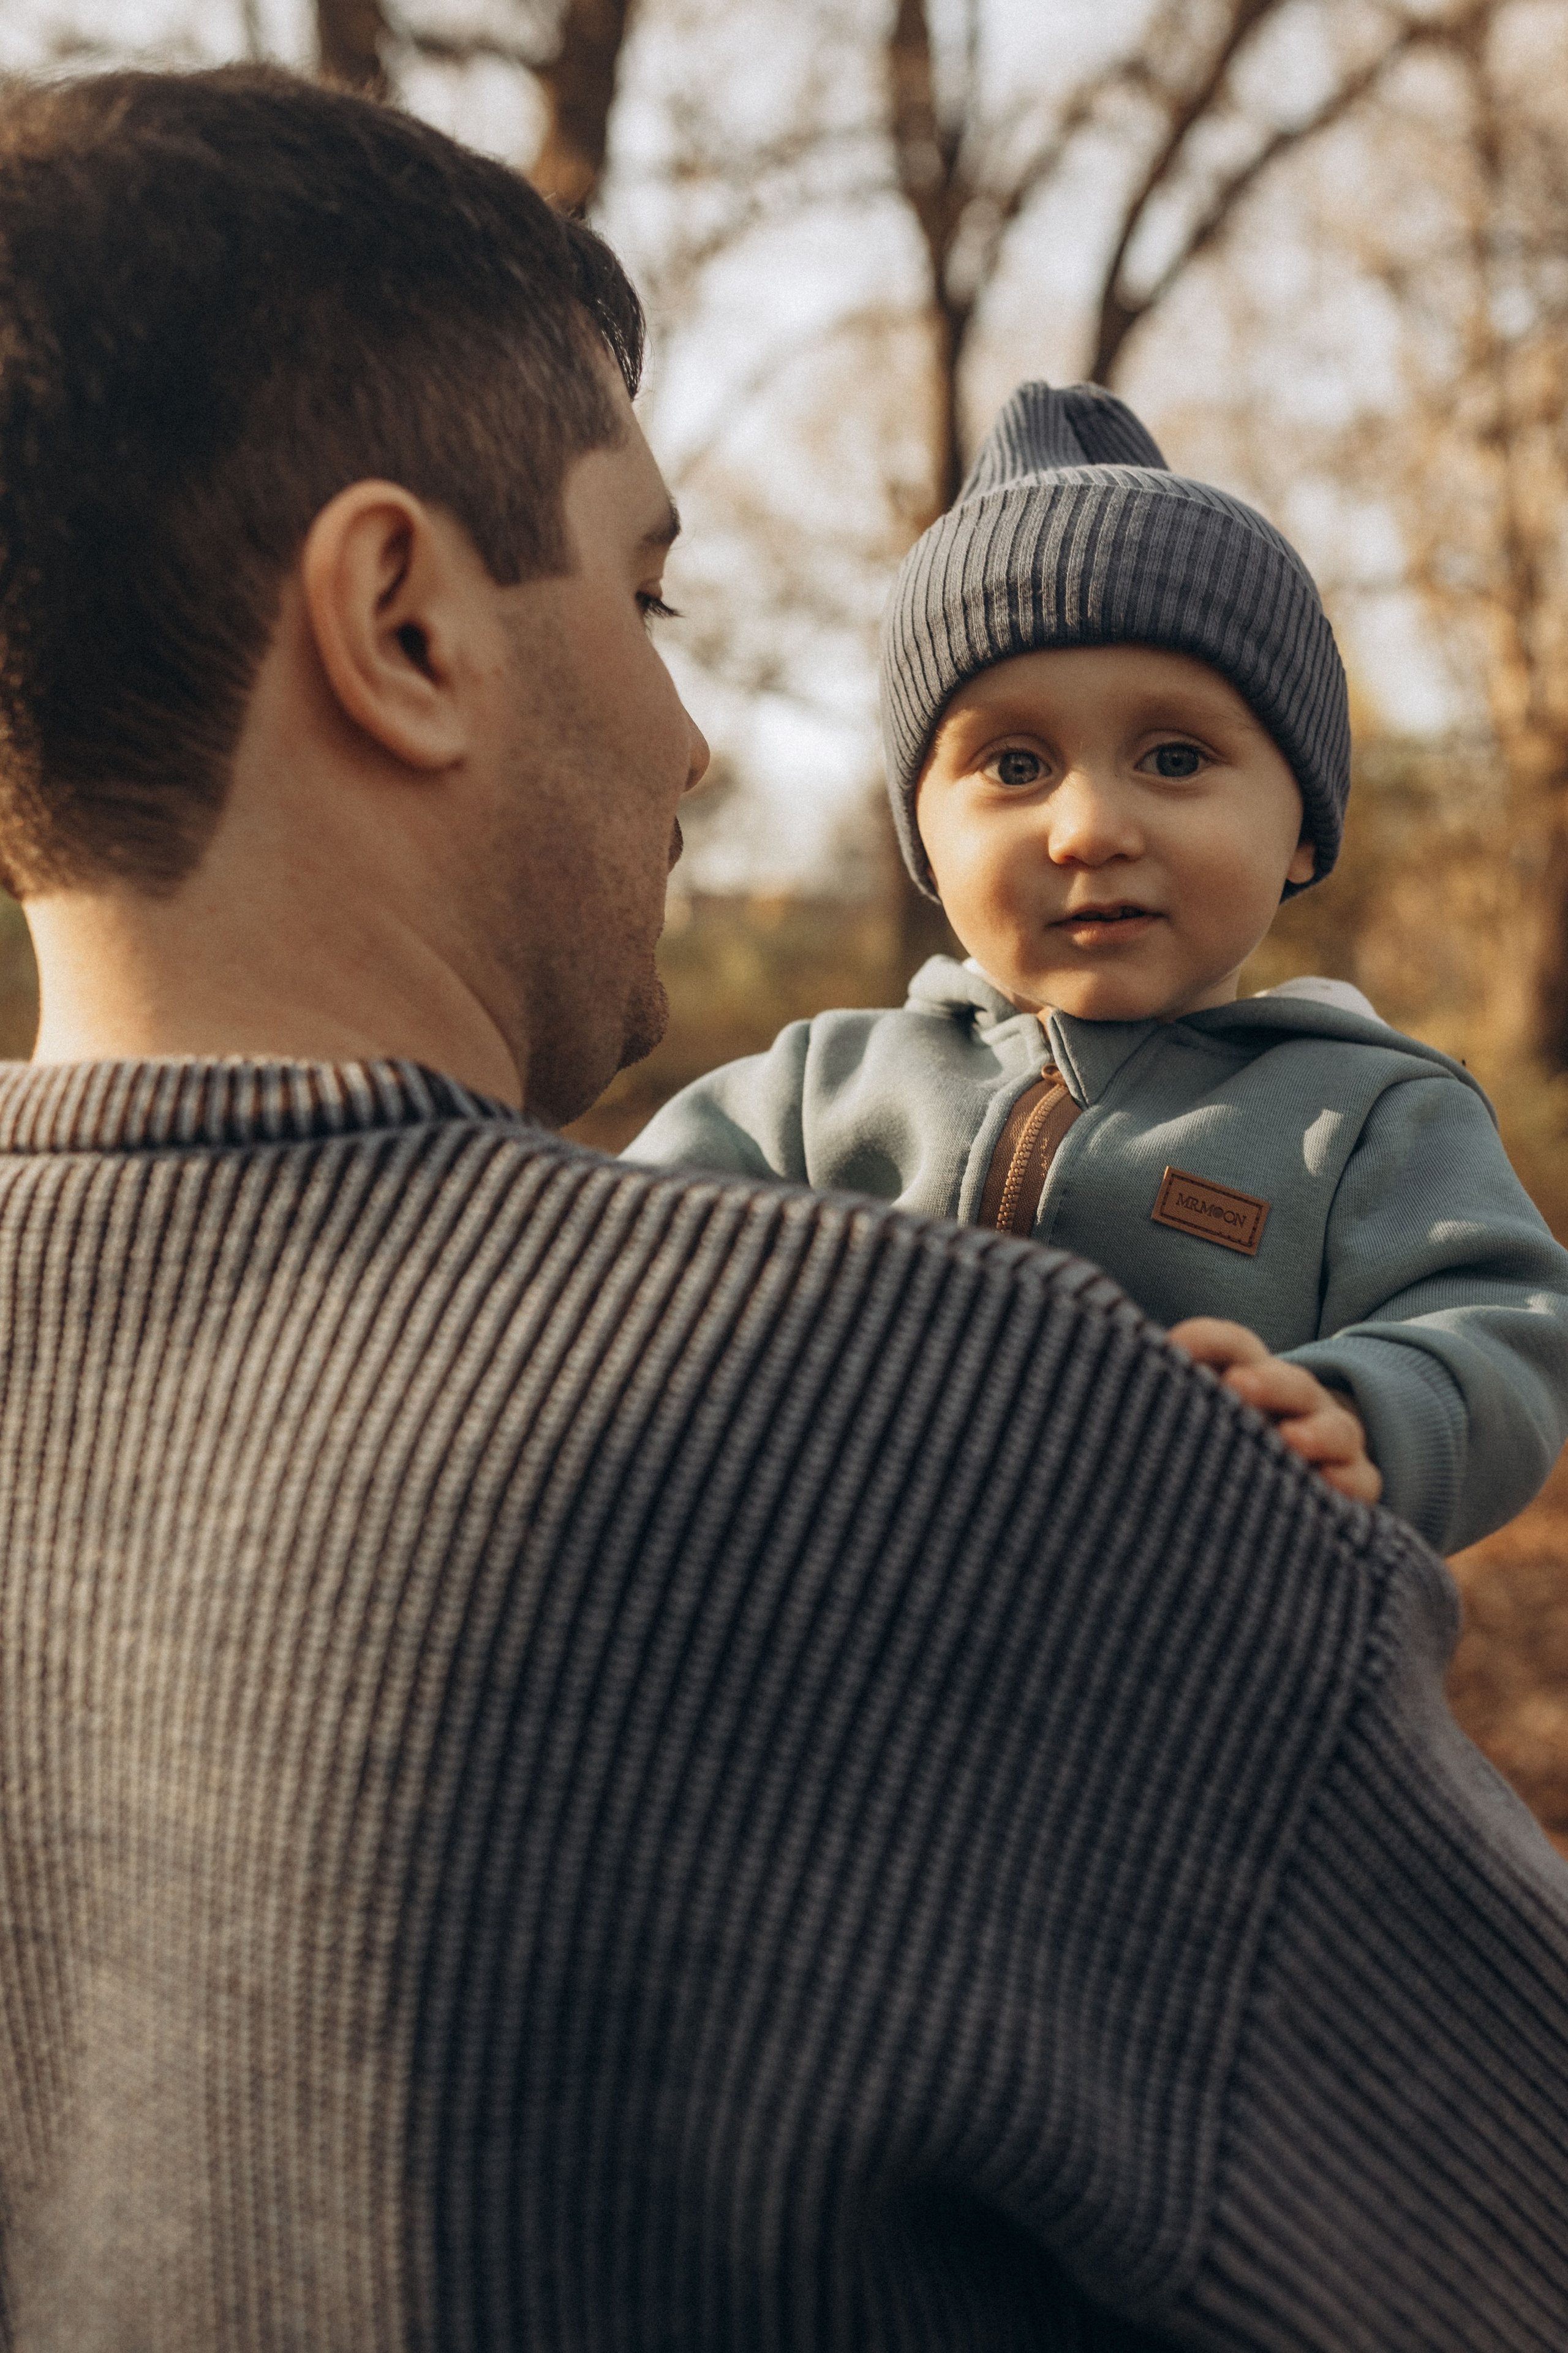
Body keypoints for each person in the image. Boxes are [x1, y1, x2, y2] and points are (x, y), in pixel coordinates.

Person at [0, 62, 1566, 2353]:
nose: (698, 738)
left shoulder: (1347, 1116)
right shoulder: (986, 1432)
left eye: (1177, 753)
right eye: (645, 593)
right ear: (403, 621)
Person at [627, 382, 1568, 1555]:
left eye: (1173, 758)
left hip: (1197, 1629)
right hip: (839, 1622)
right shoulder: (818, 1090)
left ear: (1305, 830)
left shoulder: (1370, 1115)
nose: (1088, 829)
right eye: (1015, 766)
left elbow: (1505, 1324)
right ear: (924, 839)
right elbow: (607, 1254)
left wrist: (1363, 1411)